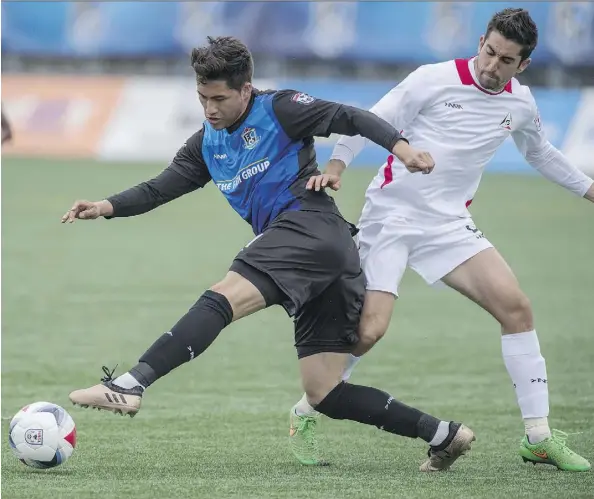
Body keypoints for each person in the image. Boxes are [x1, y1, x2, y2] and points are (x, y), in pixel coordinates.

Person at [63, 36, 475, 471]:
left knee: (222, 296)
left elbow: (350, 116)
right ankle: (444, 434)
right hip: (324, 257)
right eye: (202, 98)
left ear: (246, 89)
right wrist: (105, 207)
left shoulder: (281, 109)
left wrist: (403, 149)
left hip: (308, 227)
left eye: (219, 98)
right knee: (325, 393)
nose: (210, 109)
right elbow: (161, 187)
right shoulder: (207, 142)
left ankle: (133, 383)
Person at [290, 8, 593, 472]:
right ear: (480, 42)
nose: (492, 66)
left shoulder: (521, 105)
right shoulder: (431, 79)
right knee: (368, 332)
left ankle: (538, 436)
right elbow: (369, 121)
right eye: (489, 52)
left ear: (523, 65)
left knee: (517, 308)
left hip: (449, 225)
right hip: (390, 218)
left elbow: (542, 153)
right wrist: (336, 167)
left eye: (506, 60)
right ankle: (307, 410)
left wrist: (588, 189)